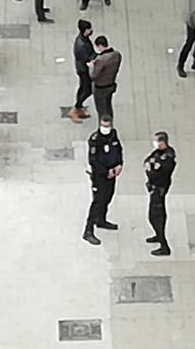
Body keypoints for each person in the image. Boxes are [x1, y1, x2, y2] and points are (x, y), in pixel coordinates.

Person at [83, 114, 123, 245]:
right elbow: (93, 160)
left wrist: (119, 164)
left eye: (108, 126)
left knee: (108, 197)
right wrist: (106, 172)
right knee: (98, 201)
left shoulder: (113, 134)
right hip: (100, 176)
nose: (106, 128)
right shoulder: (95, 139)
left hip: (112, 173)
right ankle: (88, 230)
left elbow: (118, 150)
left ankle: (101, 220)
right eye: (103, 126)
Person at [144, 131, 176, 256]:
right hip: (154, 186)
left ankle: (164, 245)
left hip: (159, 188)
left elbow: (157, 172)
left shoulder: (167, 157)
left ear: (163, 142)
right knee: (154, 214)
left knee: (156, 216)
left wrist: (150, 170)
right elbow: (148, 161)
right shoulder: (158, 153)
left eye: (157, 141)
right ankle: (158, 235)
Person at [88, 35, 121, 122]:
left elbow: (93, 76)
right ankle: (110, 122)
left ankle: (103, 127)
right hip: (111, 85)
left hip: (100, 88)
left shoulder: (101, 59)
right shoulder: (117, 55)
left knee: (101, 109)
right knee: (108, 106)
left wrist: (91, 67)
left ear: (100, 46)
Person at [70, 19, 96, 123]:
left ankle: (79, 106)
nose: (91, 30)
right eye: (89, 29)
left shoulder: (83, 39)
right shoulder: (82, 44)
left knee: (83, 87)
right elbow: (88, 58)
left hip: (81, 67)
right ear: (85, 30)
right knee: (88, 89)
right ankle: (77, 107)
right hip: (83, 69)